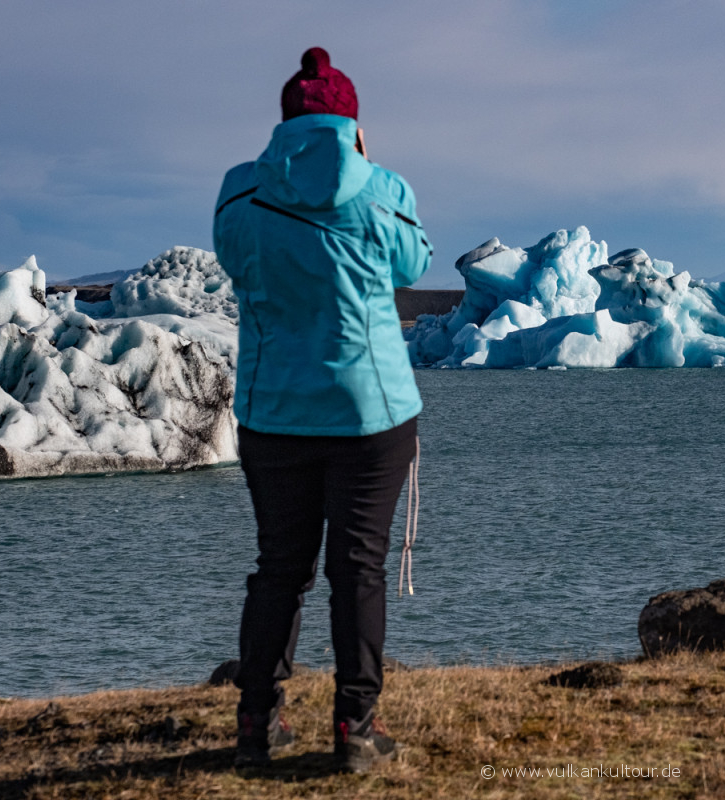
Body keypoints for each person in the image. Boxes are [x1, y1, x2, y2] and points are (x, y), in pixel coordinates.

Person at [212, 46, 432, 773]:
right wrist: (367, 169)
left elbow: (234, 258)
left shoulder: (241, 194)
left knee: (279, 567)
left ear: (284, 121)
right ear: (352, 123)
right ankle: (354, 731)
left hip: (273, 412)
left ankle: (255, 725)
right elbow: (415, 263)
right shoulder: (382, 189)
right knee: (357, 570)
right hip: (370, 416)